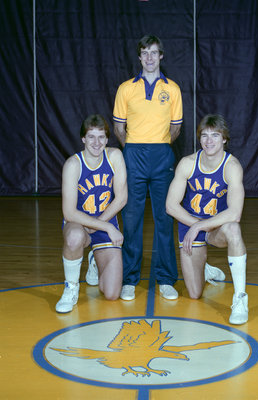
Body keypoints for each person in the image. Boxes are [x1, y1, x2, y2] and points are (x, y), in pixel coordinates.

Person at [111, 34, 183, 301]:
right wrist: (132, 147)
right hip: (134, 154)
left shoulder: (173, 89)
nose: (150, 58)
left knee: (165, 217)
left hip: (162, 153)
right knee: (131, 219)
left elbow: (176, 127)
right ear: (139, 57)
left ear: (161, 56)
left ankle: (166, 278)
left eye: (154, 53)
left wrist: (160, 144)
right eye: (145, 53)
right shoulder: (125, 89)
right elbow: (119, 127)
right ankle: (129, 279)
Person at [166, 114, 248, 324]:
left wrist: (202, 225)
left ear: (224, 139)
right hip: (190, 225)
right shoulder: (187, 163)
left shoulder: (232, 166)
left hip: (215, 228)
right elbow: (171, 205)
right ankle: (204, 267)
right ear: (199, 138)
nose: (209, 140)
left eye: (215, 135)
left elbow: (235, 213)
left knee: (233, 230)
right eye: (204, 135)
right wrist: (196, 226)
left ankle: (240, 299)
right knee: (193, 293)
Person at [55, 114, 127, 313]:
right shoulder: (73, 165)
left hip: (103, 221)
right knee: (75, 237)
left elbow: (121, 198)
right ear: (83, 139)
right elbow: (69, 212)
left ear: (107, 139)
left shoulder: (114, 157)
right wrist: (105, 226)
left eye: (102, 137)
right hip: (80, 223)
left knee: (112, 294)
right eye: (92, 137)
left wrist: (99, 224)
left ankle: (95, 260)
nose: (97, 142)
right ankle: (71, 287)